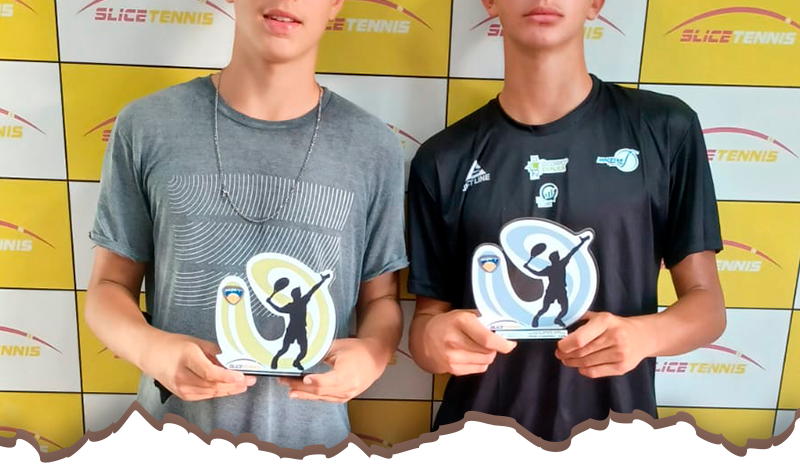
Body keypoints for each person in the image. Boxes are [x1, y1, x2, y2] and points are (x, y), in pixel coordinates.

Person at [84, 0, 409, 449]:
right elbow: (107, 288)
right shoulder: (147, 126)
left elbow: (382, 298)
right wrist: (150, 349)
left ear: (335, 4)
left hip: (314, 446)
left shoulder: (373, 147)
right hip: (172, 442)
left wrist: (373, 354)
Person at [406, 0, 727, 442]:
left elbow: (708, 307)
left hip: (615, 439)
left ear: (595, 3)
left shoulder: (665, 129)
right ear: (490, 2)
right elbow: (426, 323)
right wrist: (432, 342)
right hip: (477, 439)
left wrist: (643, 336)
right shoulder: (443, 158)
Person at [524, 235, 590, 328]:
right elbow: (572, 252)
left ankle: (557, 319)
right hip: (553, 290)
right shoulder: (559, 264)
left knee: (563, 309)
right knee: (546, 309)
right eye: (557, 256)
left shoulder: (557, 265)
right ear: (554, 258)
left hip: (559, 290)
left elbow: (537, 273)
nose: (558, 256)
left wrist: (527, 267)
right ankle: (537, 317)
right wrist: (582, 242)